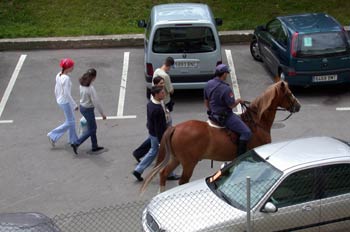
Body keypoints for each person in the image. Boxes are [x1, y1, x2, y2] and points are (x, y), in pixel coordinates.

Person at [204, 64, 252, 156]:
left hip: (213, 116)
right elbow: (231, 106)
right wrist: (238, 101)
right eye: (227, 73)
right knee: (247, 132)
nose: (227, 75)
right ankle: (240, 157)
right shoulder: (226, 88)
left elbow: (206, 102)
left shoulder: (208, 83)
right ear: (224, 74)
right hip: (225, 117)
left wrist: (212, 110)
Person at [132, 86, 178, 181]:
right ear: (156, 95)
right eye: (162, 93)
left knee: (153, 152)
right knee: (166, 154)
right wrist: (161, 141)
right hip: (158, 135)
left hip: (153, 133)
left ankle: (138, 170)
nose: (164, 94)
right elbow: (159, 128)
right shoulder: (157, 110)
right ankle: (169, 174)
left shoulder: (152, 103)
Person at [71, 68, 106, 155]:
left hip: (82, 107)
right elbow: (96, 102)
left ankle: (94, 146)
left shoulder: (81, 85)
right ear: (93, 77)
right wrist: (102, 113)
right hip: (88, 110)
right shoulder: (90, 89)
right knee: (93, 129)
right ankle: (77, 143)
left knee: (92, 128)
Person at [47, 58, 78, 150]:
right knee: (71, 122)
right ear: (68, 68)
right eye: (72, 66)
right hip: (65, 102)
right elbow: (67, 94)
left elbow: (56, 88)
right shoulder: (66, 79)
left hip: (61, 100)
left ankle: (73, 140)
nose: (73, 68)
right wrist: (74, 104)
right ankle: (52, 135)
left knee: (71, 120)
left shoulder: (59, 75)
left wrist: (57, 97)